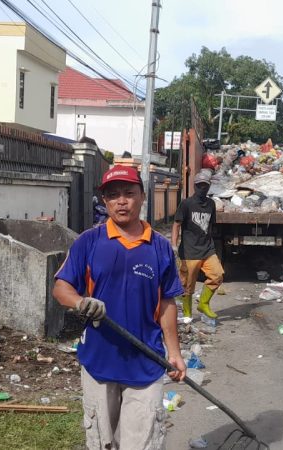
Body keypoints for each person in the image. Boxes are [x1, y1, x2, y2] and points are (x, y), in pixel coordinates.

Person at [53, 165, 186, 450]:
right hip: (99, 362)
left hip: (146, 362)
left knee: (141, 443)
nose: (121, 201)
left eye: (129, 193)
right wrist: (81, 302)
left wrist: (174, 352)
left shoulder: (160, 248)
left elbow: (167, 303)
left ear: (142, 197)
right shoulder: (89, 242)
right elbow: (61, 288)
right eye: (113, 196)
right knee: (102, 443)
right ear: (105, 201)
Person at [171, 171, 224, 321]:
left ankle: (204, 303)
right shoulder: (186, 204)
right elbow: (176, 225)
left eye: (205, 186)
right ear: (195, 186)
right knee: (187, 286)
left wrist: (212, 244)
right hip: (189, 252)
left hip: (207, 249)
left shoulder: (211, 204)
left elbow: (210, 226)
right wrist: (174, 245)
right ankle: (187, 313)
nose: (202, 188)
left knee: (217, 275)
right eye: (199, 186)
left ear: (209, 187)